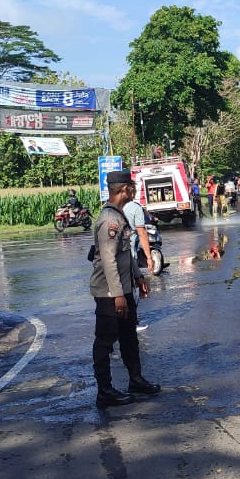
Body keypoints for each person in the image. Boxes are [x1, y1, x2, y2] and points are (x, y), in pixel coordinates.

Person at [89, 170, 161, 407]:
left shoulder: (120, 216)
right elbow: (109, 260)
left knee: (130, 337)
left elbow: (125, 255)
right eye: (132, 187)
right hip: (109, 293)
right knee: (105, 341)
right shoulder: (110, 220)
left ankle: (136, 379)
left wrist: (138, 276)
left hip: (123, 289)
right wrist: (118, 295)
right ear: (123, 189)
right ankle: (105, 390)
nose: (135, 190)